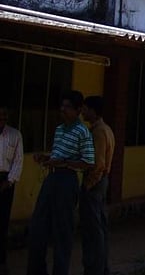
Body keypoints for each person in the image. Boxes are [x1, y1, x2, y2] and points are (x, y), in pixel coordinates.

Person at [27, 90, 95, 275]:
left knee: (62, 230)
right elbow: (57, 154)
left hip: (67, 180)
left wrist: (64, 162)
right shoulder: (59, 129)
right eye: (62, 106)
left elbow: (88, 162)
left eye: (68, 107)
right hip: (52, 178)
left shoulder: (83, 132)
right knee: (38, 226)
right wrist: (46, 158)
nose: (63, 110)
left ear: (78, 110)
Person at [79, 96, 114, 275]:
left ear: (93, 111)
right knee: (99, 226)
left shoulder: (98, 132)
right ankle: (101, 267)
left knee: (93, 229)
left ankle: (95, 268)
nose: (83, 112)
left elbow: (98, 164)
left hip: (95, 182)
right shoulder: (106, 129)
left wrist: (88, 184)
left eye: (85, 108)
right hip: (101, 181)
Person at [0, 107, 23, 275]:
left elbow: (18, 160)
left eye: (4, 115)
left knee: (2, 223)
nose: (2, 118)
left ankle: (1, 261)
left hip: (6, 180)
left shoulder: (15, 135)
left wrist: (9, 181)